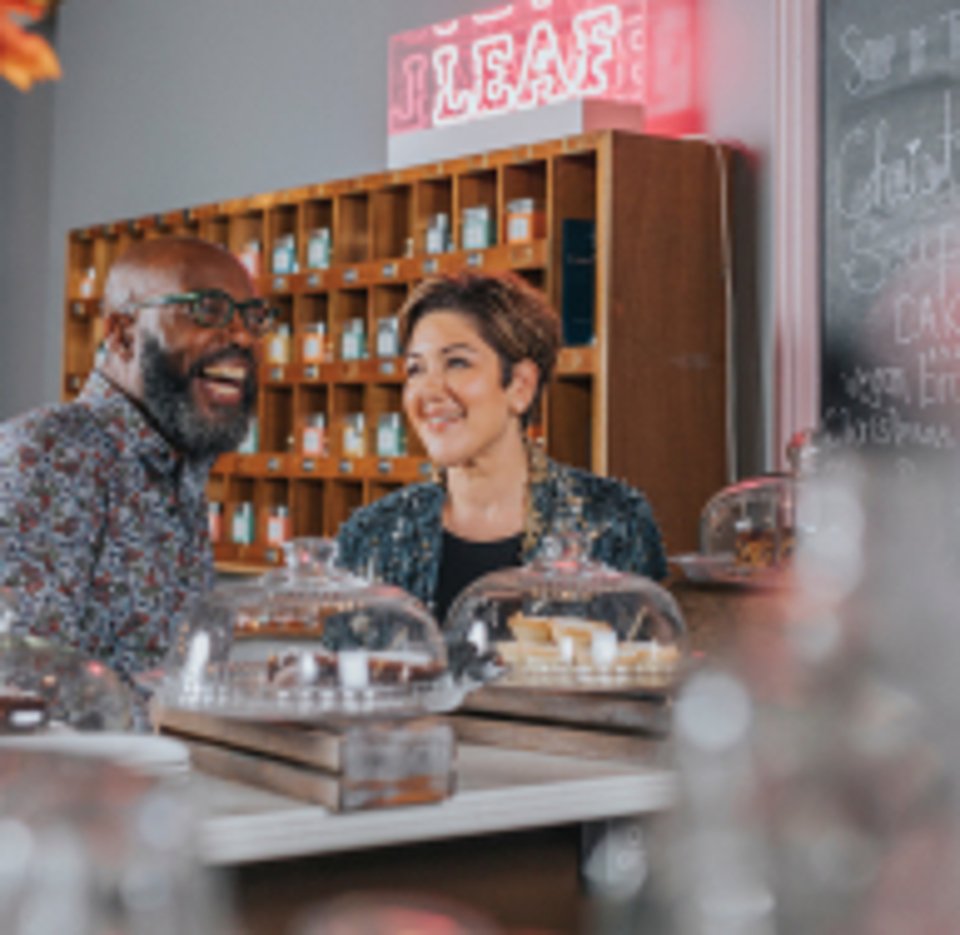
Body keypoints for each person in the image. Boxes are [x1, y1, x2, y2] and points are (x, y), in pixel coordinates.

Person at [0, 237, 274, 682]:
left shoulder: (177, 467)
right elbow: (23, 692)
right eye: (207, 310)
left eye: (253, 318)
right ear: (123, 333)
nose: (242, 336)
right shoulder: (47, 456)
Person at [337, 271, 666, 624]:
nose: (428, 391)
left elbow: (646, 666)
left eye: (457, 362)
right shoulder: (371, 535)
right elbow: (345, 673)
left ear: (520, 385)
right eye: (415, 369)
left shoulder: (614, 522)